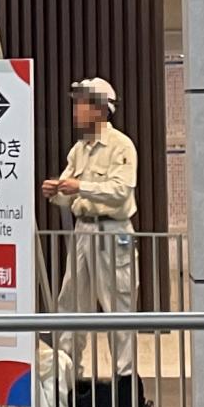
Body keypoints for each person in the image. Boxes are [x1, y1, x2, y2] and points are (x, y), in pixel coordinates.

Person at [43, 76, 139, 378]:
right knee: (70, 303)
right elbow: (67, 195)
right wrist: (55, 191)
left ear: (99, 109)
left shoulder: (121, 146)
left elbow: (120, 190)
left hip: (113, 232)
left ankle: (125, 383)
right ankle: (67, 376)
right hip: (83, 231)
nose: (76, 110)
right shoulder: (79, 149)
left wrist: (79, 187)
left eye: (81, 104)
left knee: (118, 308)